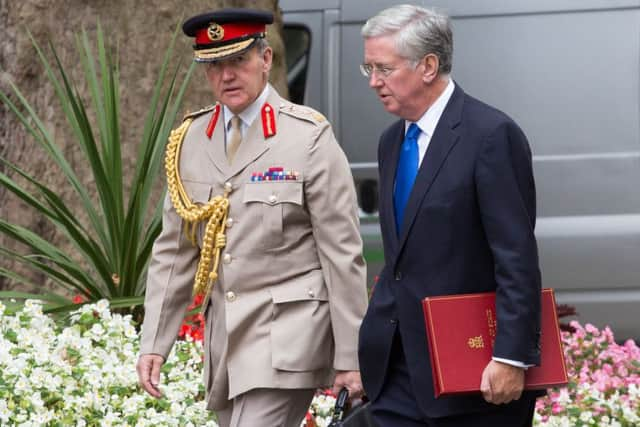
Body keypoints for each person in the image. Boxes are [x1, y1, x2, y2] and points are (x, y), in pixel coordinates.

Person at [136, 8, 368, 427]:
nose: (227, 75)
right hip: (227, 343)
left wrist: (350, 357)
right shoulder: (189, 140)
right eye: (214, 65)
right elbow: (175, 250)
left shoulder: (307, 136)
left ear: (265, 60)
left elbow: (342, 254)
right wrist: (154, 342)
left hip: (290, 336)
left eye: (238, 60)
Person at [357, 5, 543, 427]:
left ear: (428, 66)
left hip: (474, 377)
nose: (373, 82)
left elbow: (516, 258)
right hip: (399, 372)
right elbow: (401, 259)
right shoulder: (391, 142)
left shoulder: (491, 135)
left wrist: (510, 356)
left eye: (383, 68)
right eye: (367, 67)